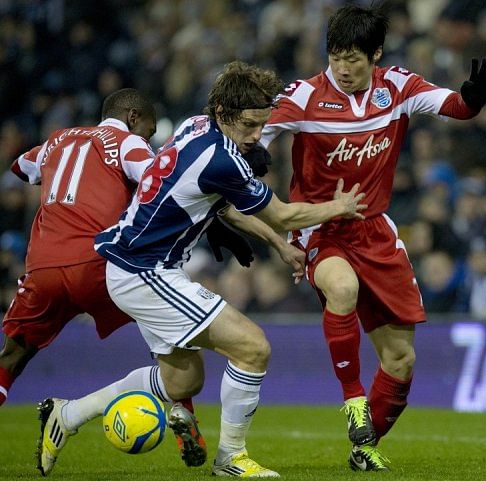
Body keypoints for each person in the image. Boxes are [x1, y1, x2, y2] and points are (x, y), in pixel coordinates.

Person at [40, 60, 367, 478]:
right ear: (225, 115)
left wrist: (277, 247)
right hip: (146, 271)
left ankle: (66, 415)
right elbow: (283, 215)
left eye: (262, 125)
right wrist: (339, 207)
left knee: (182, 384)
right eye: (249, 125)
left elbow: (224, 206)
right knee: (253, 347)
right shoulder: (222, 159)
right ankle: (231, 457)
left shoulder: (196, 125)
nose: (256, 135)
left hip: (134, 265)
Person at [259, 3, 486, 472]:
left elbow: (453, 105)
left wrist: (472, 100)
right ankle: (352, 399)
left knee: (401, 361)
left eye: (354, 58)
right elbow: (251, 138)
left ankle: (364, 444)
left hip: (375, 231)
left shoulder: (398, 87)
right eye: (335, 56)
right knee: (343, 288)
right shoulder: (303, 96)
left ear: (376, 54)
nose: (344, 68)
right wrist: (253, 165)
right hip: (321, 227)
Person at [0, 88, 232, 475]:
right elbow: (161, 183)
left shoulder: (58, 138)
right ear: (134, 117)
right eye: (149, 131)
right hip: (100, 263)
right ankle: (182, 417)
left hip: (42, 267)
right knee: (166, 334)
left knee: (13, 355)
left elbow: (21, 168)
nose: (148, 138)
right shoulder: (128, 144)